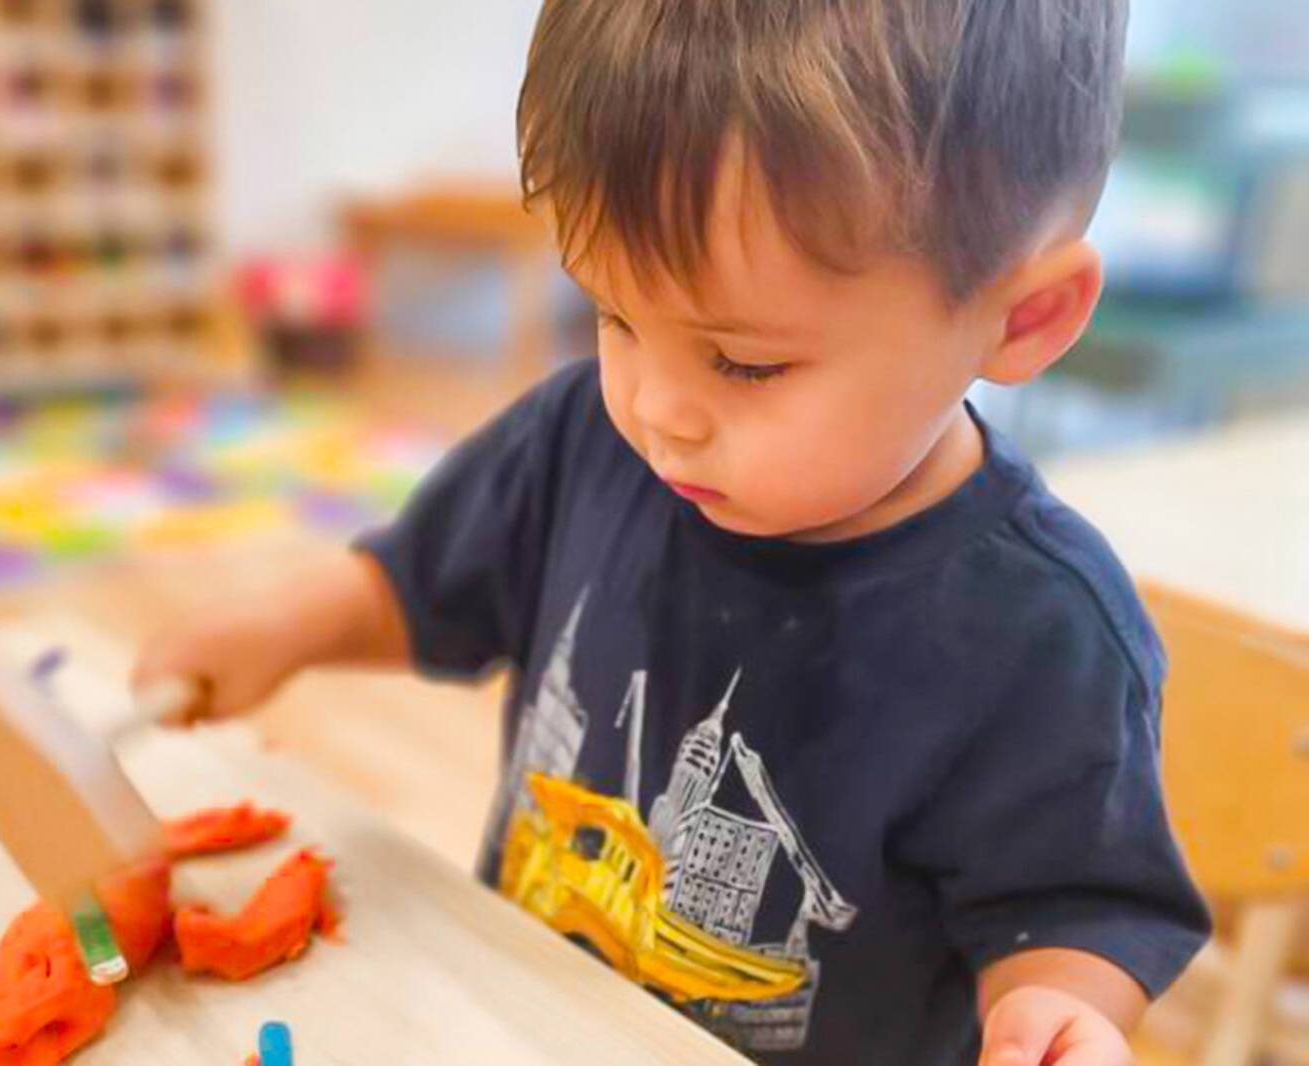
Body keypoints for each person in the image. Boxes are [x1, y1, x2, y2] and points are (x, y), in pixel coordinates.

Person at [138, 2, 1209, 1061]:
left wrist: (1055, 1009)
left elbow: (1068, 904)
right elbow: (419, 583)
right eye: (610, 315)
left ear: (1019, 319)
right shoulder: (581, 442)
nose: (657, 408)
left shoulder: (1040, 632)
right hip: (516, 1025)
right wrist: (279, 627)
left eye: (743, 361)